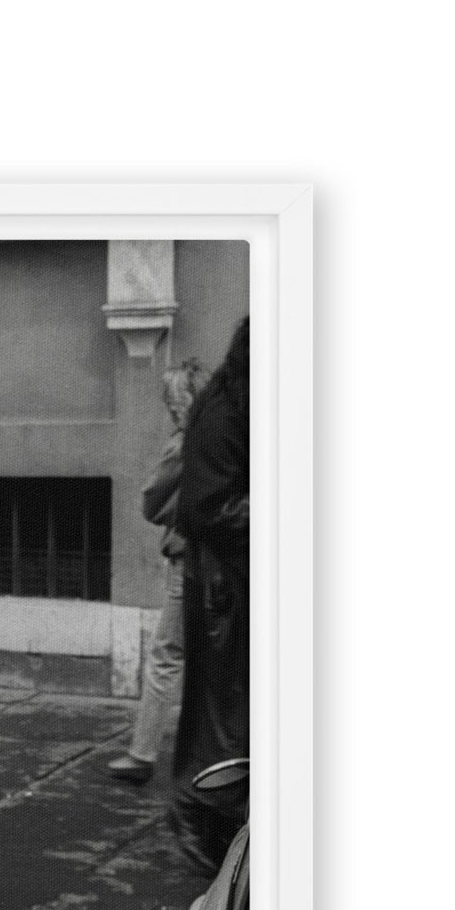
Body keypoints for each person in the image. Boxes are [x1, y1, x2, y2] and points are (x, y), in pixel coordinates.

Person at [168, 318, 251, 875]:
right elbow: (205, 507)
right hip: (225, 588)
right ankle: (201, 813)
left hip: (235, 581)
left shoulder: (235, 404)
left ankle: (212, 815)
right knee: (223, 713)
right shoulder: (222, 411)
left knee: (232, 710)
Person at [107, 360, 207, 785]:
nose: (169, 406)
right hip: (231, 560)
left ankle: (142, 753)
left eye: (173, 398)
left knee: (167, 655)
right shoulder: (238, 439)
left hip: (189, 559)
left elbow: (152, 501)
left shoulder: (185, 444)